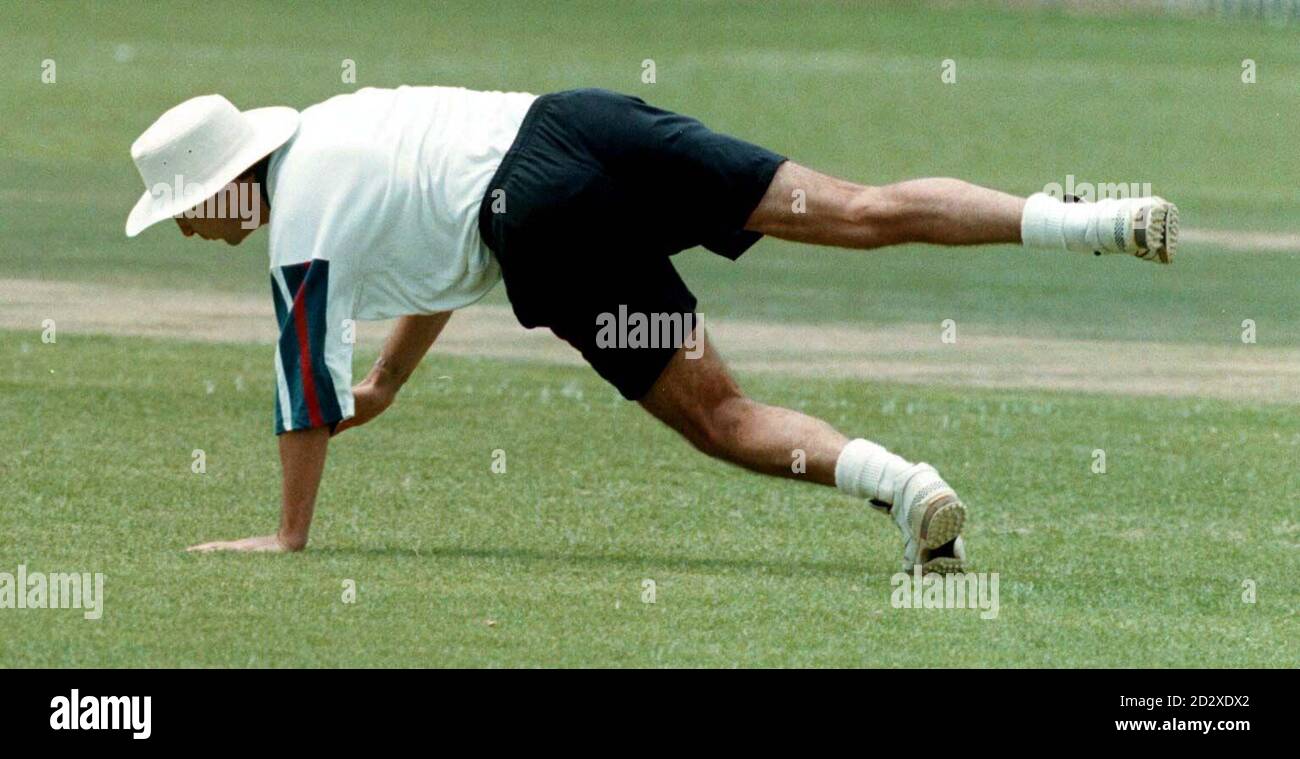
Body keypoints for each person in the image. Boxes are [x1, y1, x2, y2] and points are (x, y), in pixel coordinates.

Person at [125, 86, 1177, 572]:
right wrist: (394, 379)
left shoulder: (298, 231)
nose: (184, 228)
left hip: (539, 217)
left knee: (719, 416)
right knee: (855, 210)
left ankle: (906, 487)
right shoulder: (347, 126)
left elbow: (301, 396)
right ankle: (1087, 219)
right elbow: (441, 232)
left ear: (222, 186)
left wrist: (288, 535)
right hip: (580, 125)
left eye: (181, 208)